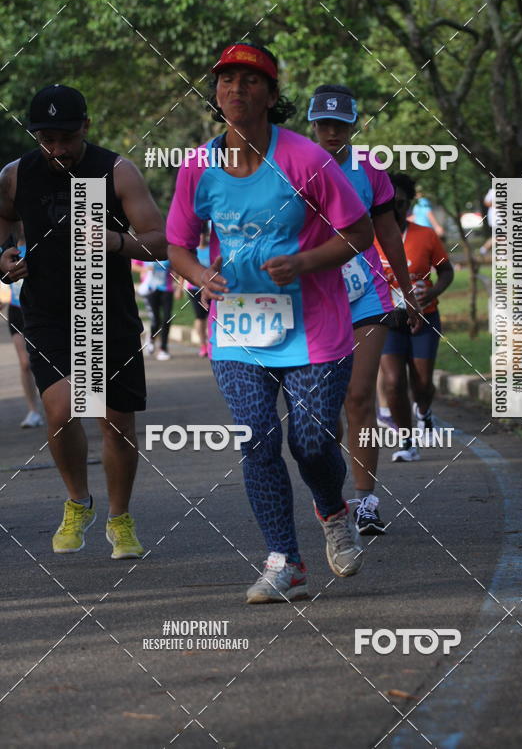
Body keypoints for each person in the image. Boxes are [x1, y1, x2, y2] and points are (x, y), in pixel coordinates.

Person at [167, 43, 373, 604]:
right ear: (215, 94)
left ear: (273, 95)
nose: (237, 89)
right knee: (257, 438)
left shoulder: (308, 160)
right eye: (227, 80)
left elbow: (358, 234)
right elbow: (178, 245)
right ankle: (285, 560)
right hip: (237, 331)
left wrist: (306, 262)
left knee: (309, 441)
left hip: (316, 327)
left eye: (251, 81)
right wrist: (198, 278)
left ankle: (333, 511)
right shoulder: (198, 167)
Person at [0, 84, 167, 558]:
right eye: (46, 140)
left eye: (66, 138)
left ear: (86, 128)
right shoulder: (16, 174)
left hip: (106, 310)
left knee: (116, 423)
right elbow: (2, 219)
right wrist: (4, 256)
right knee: (61, 409)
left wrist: (117, 243)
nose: (57, 149)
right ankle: (78, 501)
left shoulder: (116, 171)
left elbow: (159, 241)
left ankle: (120, 517)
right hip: (47, 312)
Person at [307, 84, 420, 535]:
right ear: (312, 124)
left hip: (366, 295)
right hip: (315, 295)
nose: (332, 132)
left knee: (359, 396)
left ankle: (366, 499)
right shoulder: (294, 165)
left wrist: (406, 291)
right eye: (324, 124)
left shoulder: (371, 169)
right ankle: (331, 496)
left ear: (355, 124)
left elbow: (388, 233)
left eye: (341, 124)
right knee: (321, 411)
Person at [376, 174, 454, 461]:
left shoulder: (424, 235)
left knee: (421, 382)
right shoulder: (369, 237)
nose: (395, 209)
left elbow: (446, 271)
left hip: (425, 316)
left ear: (409, 205)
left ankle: (424, 412)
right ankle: (407, 442)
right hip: (389, 320)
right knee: (394, 381)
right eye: (389, 203)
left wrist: (431, 295)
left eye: (401, 203)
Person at [2, 225, 43, 427]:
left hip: (40, 310)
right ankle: (33, 411)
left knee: (46, 360)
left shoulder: (40, 245)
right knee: (25, 363)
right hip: (17, 310)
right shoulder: (7, 248)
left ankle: (58, 404)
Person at [143, 258, 175, 360]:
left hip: (167, 289)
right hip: (151, 289)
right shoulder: (144, 251)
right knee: (156, 320)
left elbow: (177, 268)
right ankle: (151, 338)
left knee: (167, 318)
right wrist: (145, 270)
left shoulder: (166, 250)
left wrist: (178, 286)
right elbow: (134, 265)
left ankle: (163, 348)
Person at [187, 226, 211, 357]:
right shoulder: (193, 251)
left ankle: (211, 342)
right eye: (199, 235)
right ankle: (203, 345)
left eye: (204, 234)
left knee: (210, 316)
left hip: (210, 288)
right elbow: (184, 270)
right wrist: (179, 289)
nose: (201, 237)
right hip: (194, 289)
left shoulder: (211, 250)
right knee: (200, 317)